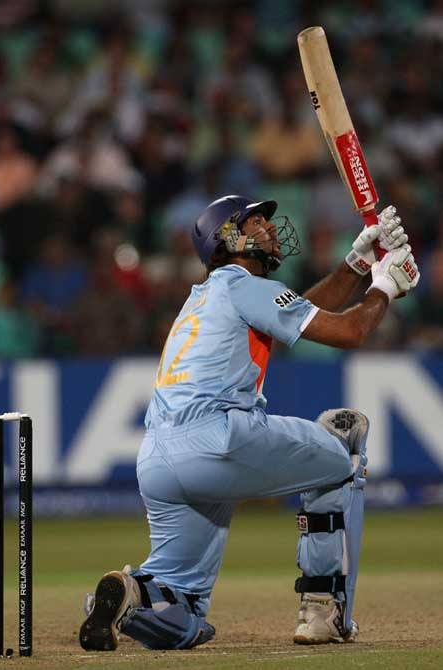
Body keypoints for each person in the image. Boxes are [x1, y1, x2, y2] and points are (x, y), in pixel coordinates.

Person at [79, 195, 419, 651]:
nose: (270, 228)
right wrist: (385, 287)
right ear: (226, 240)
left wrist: (356, 265)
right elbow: (348, 331)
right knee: (341, 450)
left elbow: (299, 313)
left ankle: (132, 594)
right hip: (217, 438)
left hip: (157, 459)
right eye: (255, 222)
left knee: (185, 606)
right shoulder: (245, 287)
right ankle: (323, 612)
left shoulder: (204, 298)